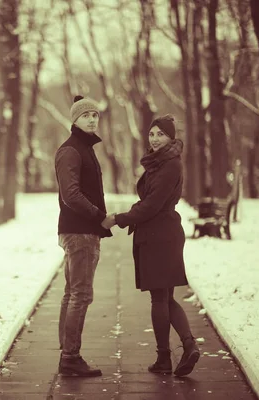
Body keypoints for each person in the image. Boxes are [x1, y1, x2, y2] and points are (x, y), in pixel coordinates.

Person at [101, 114, 200, 377]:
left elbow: (152, 204)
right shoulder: (160, 163)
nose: (154, 139)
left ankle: (165, 358)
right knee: (166, 297)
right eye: (152, 134)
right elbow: (150, 201)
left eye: (161, 134)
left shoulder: (169, 166)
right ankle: (188, 347)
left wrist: (118, 219)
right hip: (162, 233)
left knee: (159, 298)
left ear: (171, 137)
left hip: (160, 236)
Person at [54, 95, 113, 377]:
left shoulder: (84, 148)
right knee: (81, 294)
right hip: (80, 232)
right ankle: (70, 357)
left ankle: (68, 354)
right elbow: (71, 195)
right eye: (86, 115)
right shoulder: (71, 150)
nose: (92, 118)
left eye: (95, 114)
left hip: (82, 231)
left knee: (72, 293)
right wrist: (98, 215)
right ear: (74, 119)